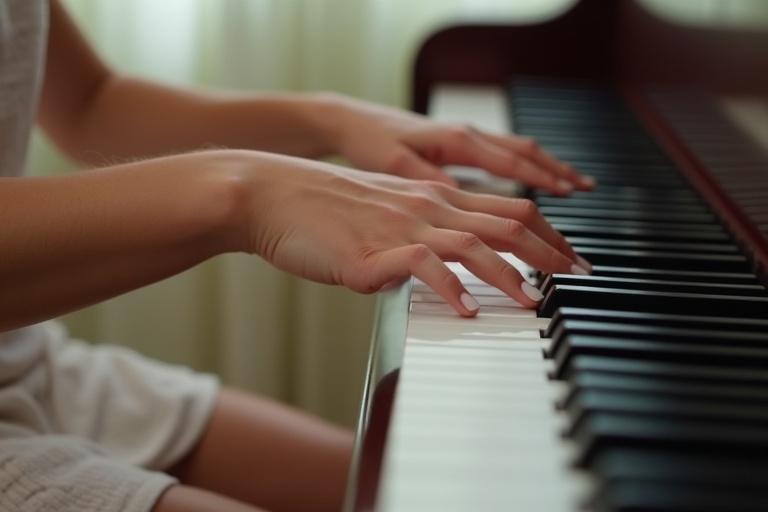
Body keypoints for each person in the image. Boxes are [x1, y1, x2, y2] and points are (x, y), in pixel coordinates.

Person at [0, 1, 594, 511]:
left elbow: (91, 107)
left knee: (450, 494)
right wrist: (243, 191)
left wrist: (330, 119)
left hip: (27, 366)